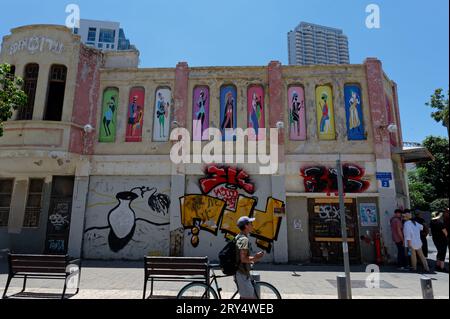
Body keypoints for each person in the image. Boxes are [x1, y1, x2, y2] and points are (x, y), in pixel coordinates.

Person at [235, 216, 264, 299]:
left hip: (241, 273)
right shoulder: (244, 240)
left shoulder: (239, 236)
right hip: (242, 273)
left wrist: (253, 258)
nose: (252, 225)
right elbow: (243, 258)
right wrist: (256, 257)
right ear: (246, 226)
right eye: (251, 223)